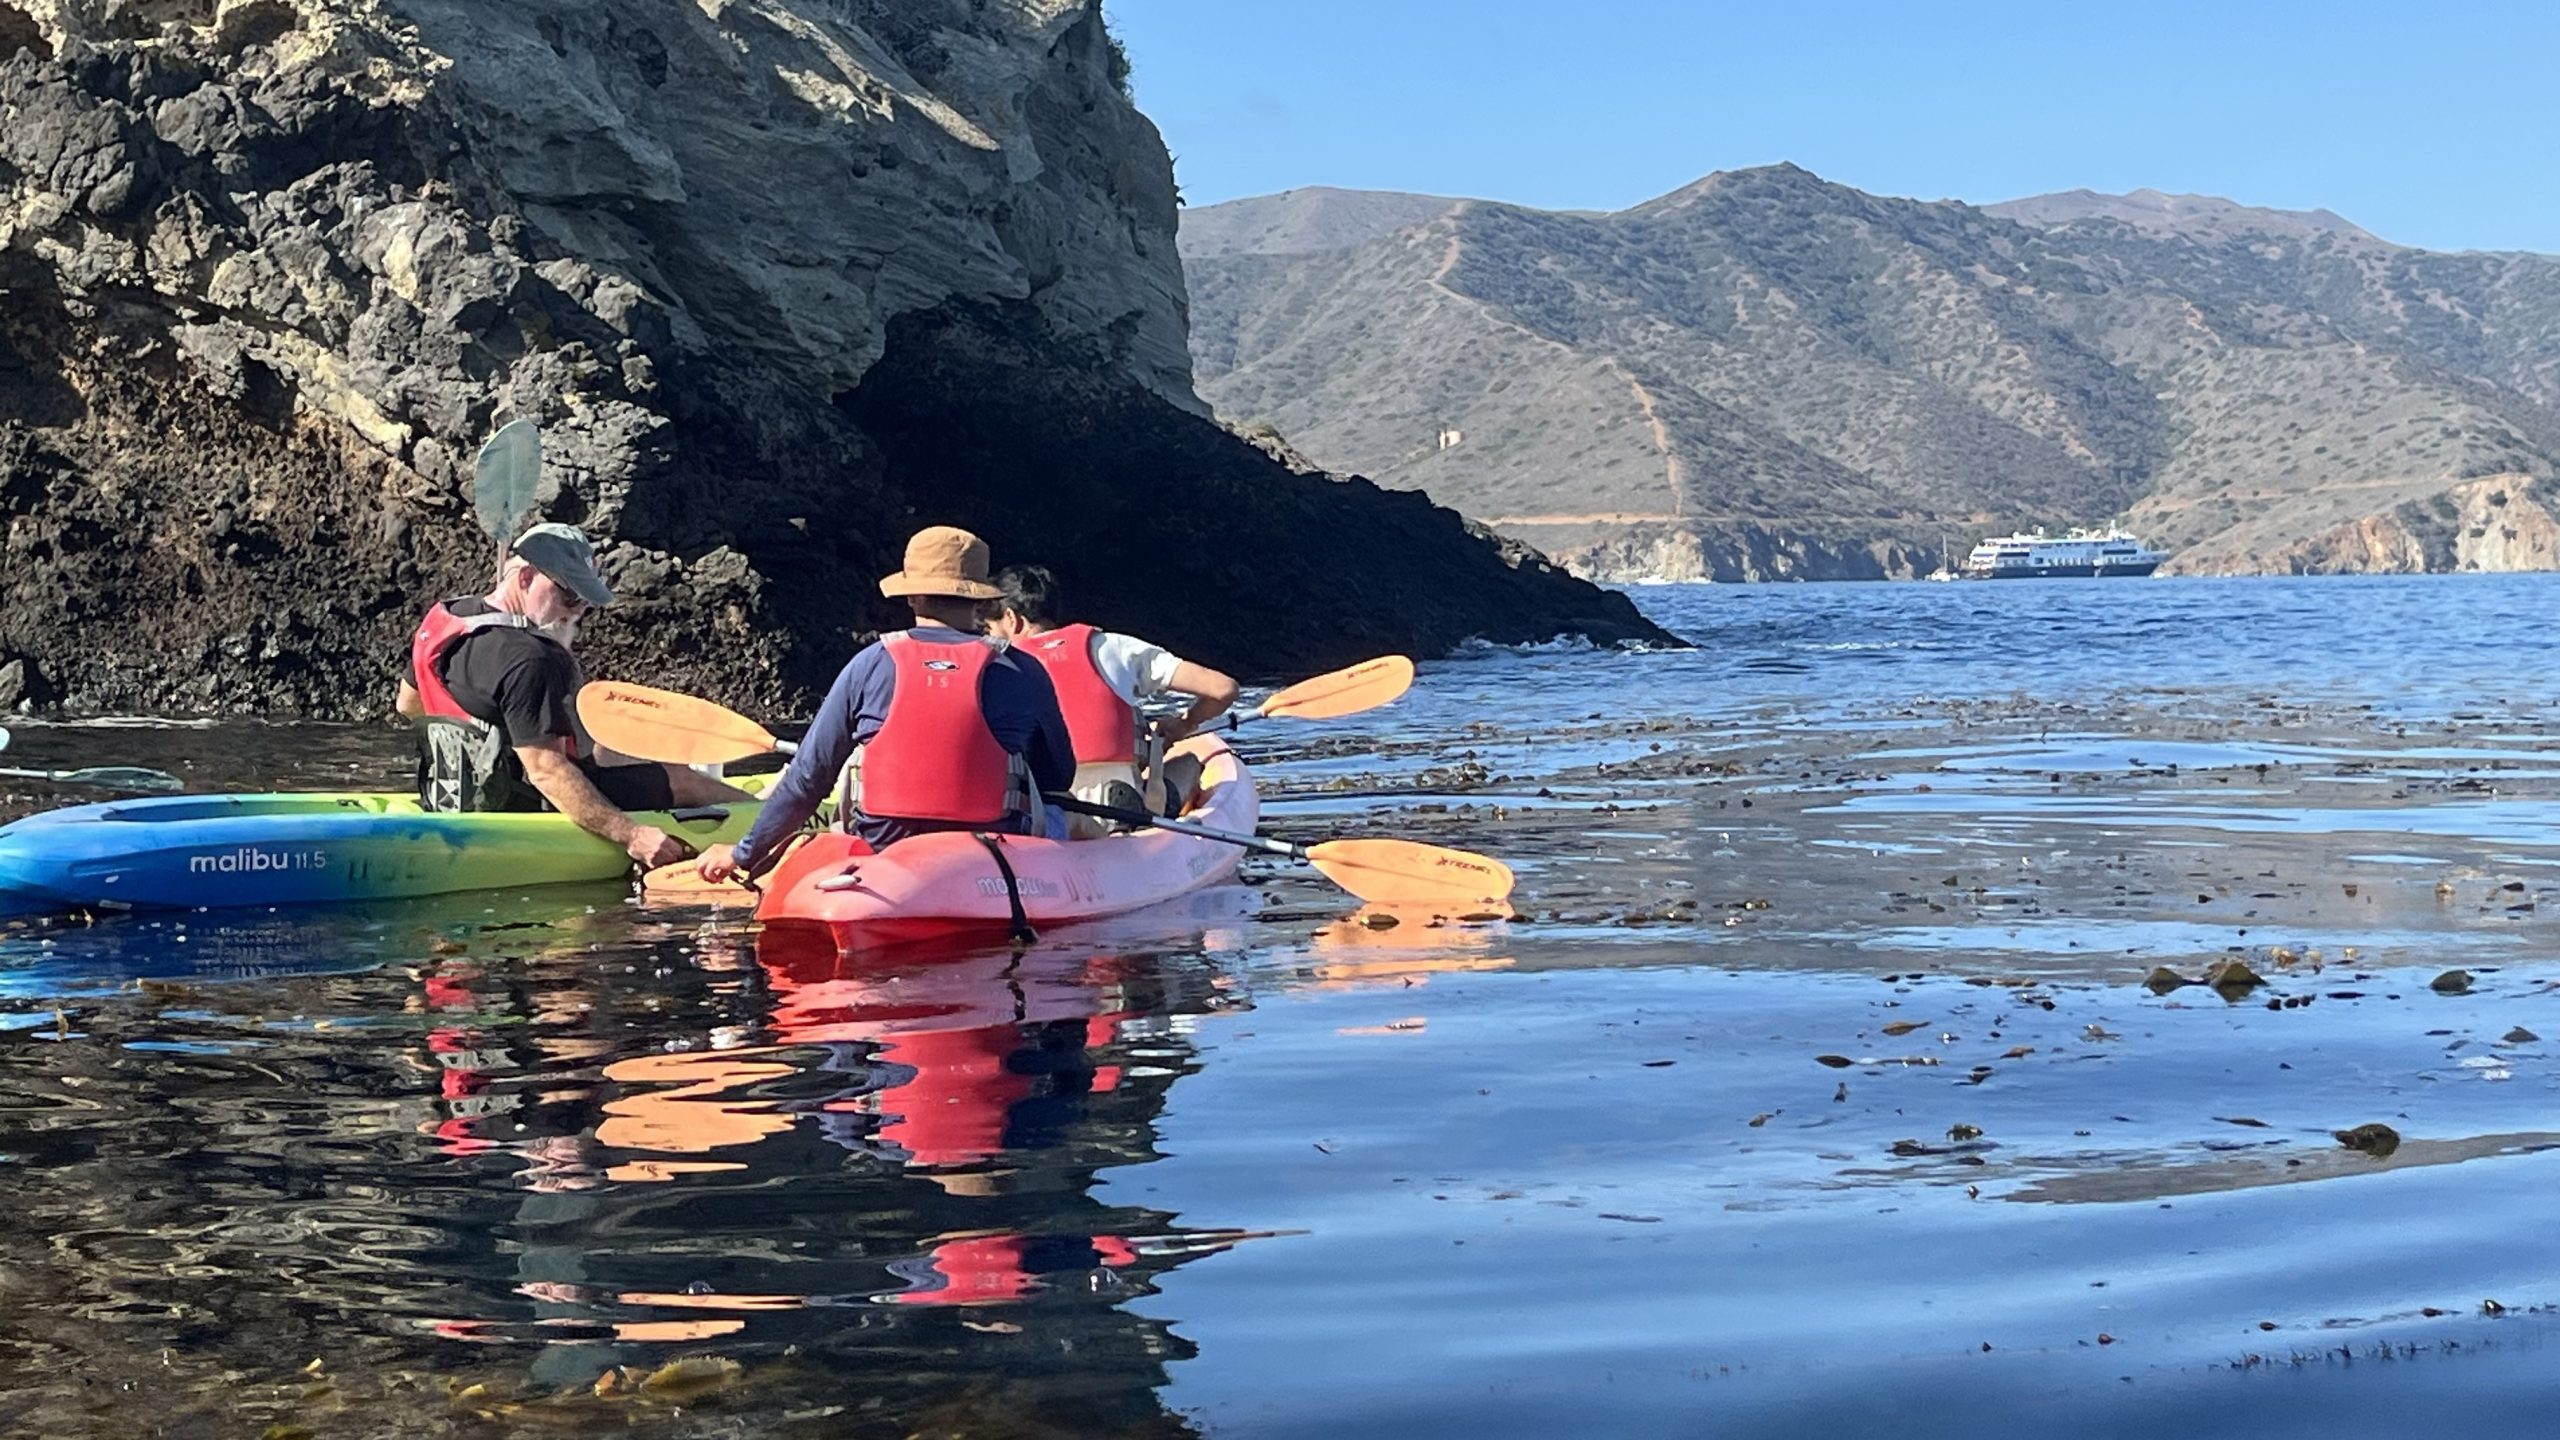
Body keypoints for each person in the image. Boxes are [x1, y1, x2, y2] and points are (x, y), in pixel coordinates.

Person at [695, 526, 1075, 884]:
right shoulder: (1022, 669)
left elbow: (808, 779)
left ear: (910, 595)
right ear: (979, 597)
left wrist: (743, 854)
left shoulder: (869, 663)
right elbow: (1058, 775)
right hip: (992, 850)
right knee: (1064, 813)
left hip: (884, 851)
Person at [396, 522, 750, 868]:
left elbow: (409, 704)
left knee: (609, 750)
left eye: (584, 600)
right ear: (524, 577)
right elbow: (547, 772)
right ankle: (770, 821)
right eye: (568, 594)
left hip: (450, 794)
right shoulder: (532, 658)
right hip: (525, 806)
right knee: (681, 779)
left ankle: (761, 803)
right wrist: (632, 835)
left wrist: (481, 744)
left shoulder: (446, 617)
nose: (577, 610)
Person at [987, 563, 1239, 834]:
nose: (988, 635)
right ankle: (1141, 816)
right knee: (1188, 762)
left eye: (990, 627)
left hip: (1043, 810)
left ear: (1012, 619)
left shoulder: (997, 666)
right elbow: (1223, 688)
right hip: (1115, 796)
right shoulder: (1113, 646)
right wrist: (1184, 724)